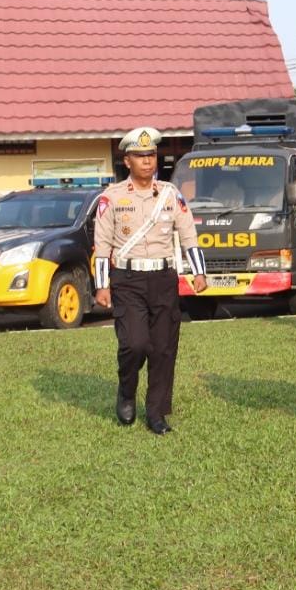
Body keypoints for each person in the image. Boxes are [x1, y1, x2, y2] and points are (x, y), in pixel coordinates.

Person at [92, 126, 208, 435]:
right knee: (135, 343)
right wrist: (102, 285)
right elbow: (102, 245)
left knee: (163, 348)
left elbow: (188, 236)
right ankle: (126, 391)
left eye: (151, 155)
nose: (147, 160)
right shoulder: (111, 197)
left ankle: (156, 413)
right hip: (127, 278)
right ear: (127, 160)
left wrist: (198, 272)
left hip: (163, 277)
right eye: (140, 155)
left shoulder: (171, 194)